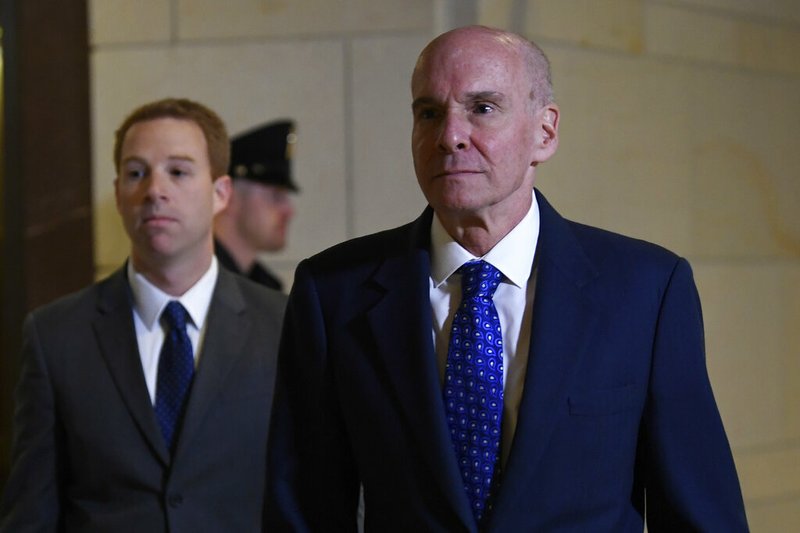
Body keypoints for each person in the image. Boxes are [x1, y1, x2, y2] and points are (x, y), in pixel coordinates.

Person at [266, 26, 749, 532]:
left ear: (545, 132)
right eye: (429, 112)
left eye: (483, 108)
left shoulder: (646, 290)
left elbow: (700, 513)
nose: (449, 136)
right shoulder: (333, 290)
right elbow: (304, 508)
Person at [0, 98, 286, 532]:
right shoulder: (55, 336)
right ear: (118, 194)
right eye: (136, 173)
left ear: (220, 193)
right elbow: (31, 515)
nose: (154, 190)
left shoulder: (283, 325)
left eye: (178, 171)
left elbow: (324, 489)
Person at [214, 120, 298, 291]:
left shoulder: (265, 287)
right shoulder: (198, 284)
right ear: (227, 196)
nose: (289, 211)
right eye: (276, 196)